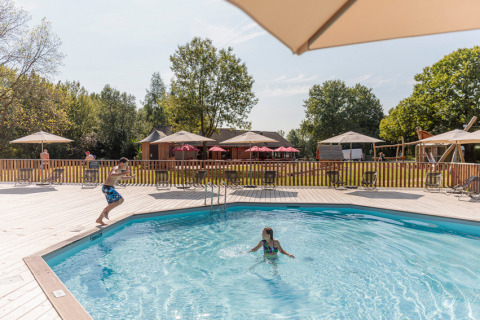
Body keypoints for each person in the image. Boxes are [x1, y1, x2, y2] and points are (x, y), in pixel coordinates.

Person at [96, 157, 135, 226]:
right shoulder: (116, 168)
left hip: (106, 188)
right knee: (121, 200)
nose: (126, 166)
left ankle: (99, 219)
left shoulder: (119, 170)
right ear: (121, 163)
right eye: (126, 164)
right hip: (108, 188)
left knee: (111, 204)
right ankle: (106, 212)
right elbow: (112, 175)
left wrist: (131, 177)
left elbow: (121, 178)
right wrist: (124, 173)